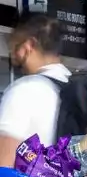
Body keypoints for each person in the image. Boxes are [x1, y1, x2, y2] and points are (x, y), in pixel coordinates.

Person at [0, 14, 71, 165]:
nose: (13, 56)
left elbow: (4, 161)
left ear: (29, 45)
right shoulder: (75, 87)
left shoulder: (24, 90)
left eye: (15, 48)